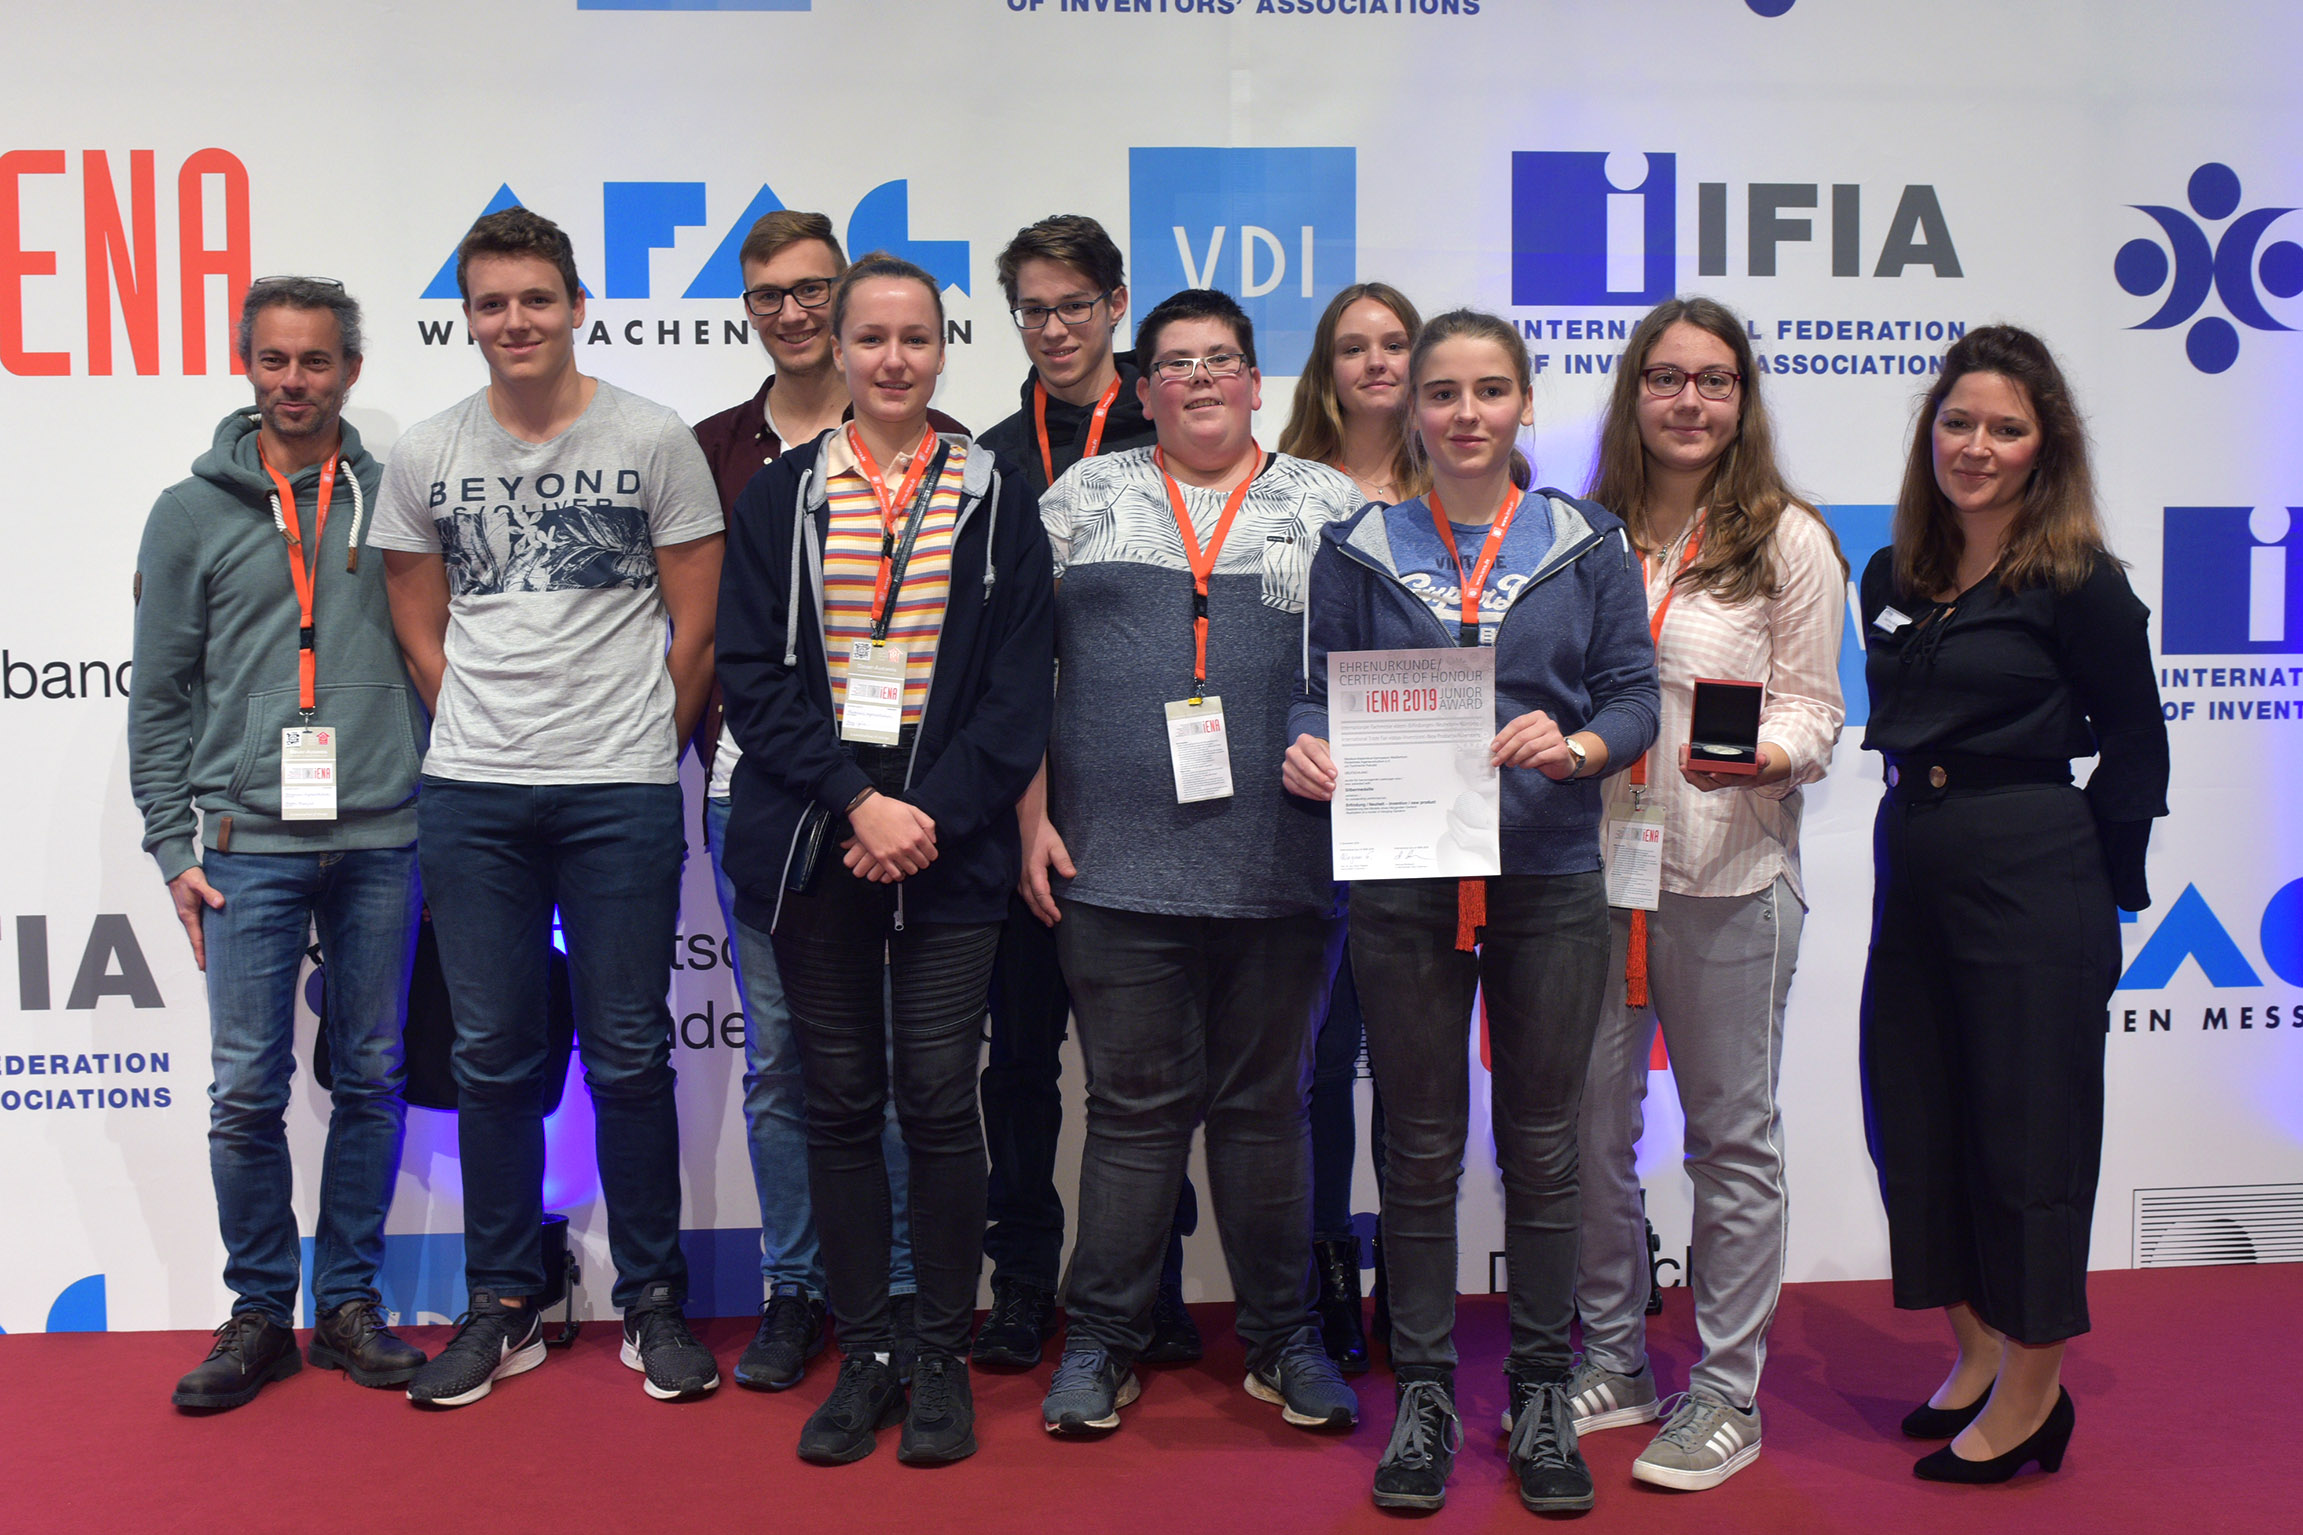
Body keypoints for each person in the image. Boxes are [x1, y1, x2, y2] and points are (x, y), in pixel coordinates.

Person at [1287, 308, 1659, 1514]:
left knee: (1544, 1142)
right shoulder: (1356, 544)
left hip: (1546, 872)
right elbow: (1310, 694)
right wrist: (1307, 745)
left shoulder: (1583, 539)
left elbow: (1632, 693)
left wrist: (1579, 743)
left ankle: (1541, 1387)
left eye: (1488, 390)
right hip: (1402, 875)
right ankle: (1426, 1393)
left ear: (1523, 404)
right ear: (1410, 406)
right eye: (1440, 391)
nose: (1463, 413)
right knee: (1416, 1144)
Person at [370, 207, 725, 1408]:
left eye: (535, 298)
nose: (514, 320)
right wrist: (485, 731)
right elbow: (417, 624)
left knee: (628, 1051)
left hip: (620, 789)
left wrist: (636, 747)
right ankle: (502, 1300)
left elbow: (697, 629)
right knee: (490, 1057)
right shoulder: (427, 452)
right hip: (474, 794)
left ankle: (654, 1300)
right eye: (491, 302)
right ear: (467, 317)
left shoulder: (652, 437)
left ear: (576, 306)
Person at [716, 253, 1054, 1466]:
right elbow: (749, 678)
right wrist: (859, 804)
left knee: (939, 1100)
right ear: (839, 347)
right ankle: (864, 1353)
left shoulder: (997, 493)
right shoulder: (783, 494)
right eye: (871, 338)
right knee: (841, 1101)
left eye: (915, 337)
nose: (893, 359)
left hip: (949, 851)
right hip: (820, 840)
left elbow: (1017, 693)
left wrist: (924, 816)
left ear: (943, 349)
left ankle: (938, 1355)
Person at [1031, 288, 1362, 1439]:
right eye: (1175, 362)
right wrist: (1028, 817)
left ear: (1258, 382)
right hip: (1112, 868)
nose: (1201, 378)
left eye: (1222, 358)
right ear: (1143, 389)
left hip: (1284, 866)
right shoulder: (1080, 499)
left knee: (1266, 1111)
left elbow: (1375, 668)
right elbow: (1017, 675)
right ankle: (1100, 1342)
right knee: (1130, 1115)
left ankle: (1283, 1339)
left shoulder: (1332, 504)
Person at [1857, 324, 2166, 1483]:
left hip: (2033, 868)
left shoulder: (2077, 581)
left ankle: (2033, 1393)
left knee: (2028, 1135)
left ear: (2044, 446)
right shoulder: (1891, 572)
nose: (1973, 445)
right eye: (1956, 421)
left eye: (2003, 427)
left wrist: (2101, 896)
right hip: (1913, 859)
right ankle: (1977, 1346)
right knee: (1911, 1115)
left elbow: (2134, 746)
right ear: (1928, 432)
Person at [131, 277, 428, 1410]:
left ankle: (346, 1302)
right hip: (245, 839)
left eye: (314, 360)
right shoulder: (188, 512)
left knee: (372, 1074)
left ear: (351, 368)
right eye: (274, 360)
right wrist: (172, 843)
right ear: (246, 365)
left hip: (384, 832)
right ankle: (259, 1307)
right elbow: (158, 695)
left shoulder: (396, 497)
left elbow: (439, 656)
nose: (293, 382)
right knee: (246, 1089)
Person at [1569, 296, 1847, 1491]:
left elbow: (1815, 706)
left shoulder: (1786, 537)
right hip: (1589, 876)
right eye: (1666, 377)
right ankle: (1613, 1358)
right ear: (1633, 391)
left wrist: (1767, 755)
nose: (1689, 400)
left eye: (1714, 379)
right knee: (1587, 1129)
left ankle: (1726, 1391)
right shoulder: (1581, 533)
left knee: (1730, 1139)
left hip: (1729, 870)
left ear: (1741, 399)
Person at [692, 209, 962, 1392]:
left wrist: (890, 806)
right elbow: (727, 648)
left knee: (896, 1064)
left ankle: (892, 1290)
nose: (794, 313)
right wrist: (844, 796)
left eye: (815, 291)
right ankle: (798, 1285)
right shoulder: (720, 453)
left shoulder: (960, 465)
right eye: (772, 295)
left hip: (915, 815)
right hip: (769, 799)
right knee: (784, 1062)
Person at [971, 214, 1200, 1372]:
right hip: (1013, 800)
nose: (1054, 329)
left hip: (1144, 801)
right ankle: (1020, 1281)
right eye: (1032, 310)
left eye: (1074, 306)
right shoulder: (985, 459)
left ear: (1116, 305)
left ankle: (1151, 1280)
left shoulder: (1176, 439)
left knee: (1141, 1067)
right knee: (1017, 1064)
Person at [1274, 281, 1430, 1374]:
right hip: (1316, 807)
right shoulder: (1284, 486)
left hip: (1429, 812)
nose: (1376, 362)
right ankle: (1326, 1268)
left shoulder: (1473, 478)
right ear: (1324, 369)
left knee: (1416, 1063)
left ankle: (1408, 1284)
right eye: (1353, 346)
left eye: (1395, 343)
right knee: (1323, 1062)